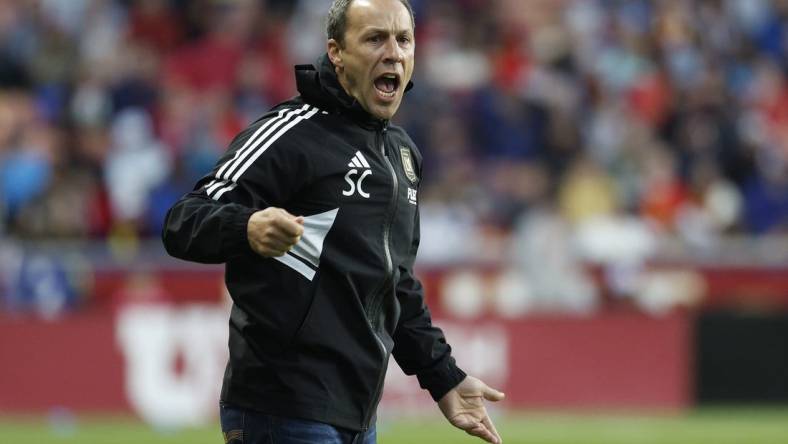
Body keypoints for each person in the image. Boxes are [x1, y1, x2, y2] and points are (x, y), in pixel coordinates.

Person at [162, 0, 504, 443]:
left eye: (403, 39)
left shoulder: (401, 156)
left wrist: (444, 377)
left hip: (358, 414)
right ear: (337, 53)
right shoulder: (292, 133)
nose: (394, 52)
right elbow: (184, 219)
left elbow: (395, 285)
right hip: (282, 405)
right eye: (375, 38)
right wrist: (246, 228)